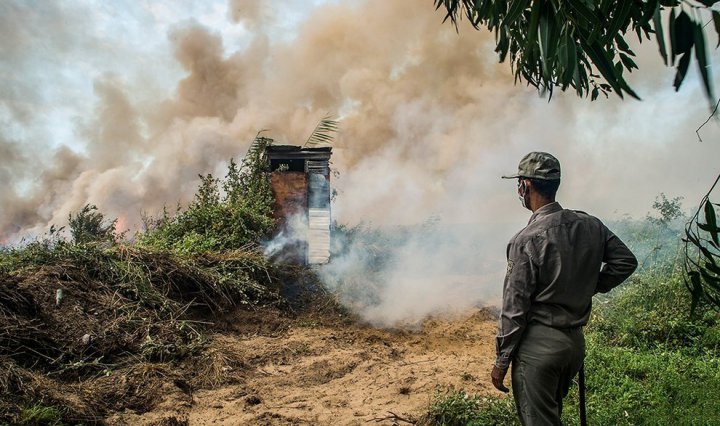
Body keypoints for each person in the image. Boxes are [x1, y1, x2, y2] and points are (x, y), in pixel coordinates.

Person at [490, 152, 637, 425]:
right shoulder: (590, 224)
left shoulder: (525, 241)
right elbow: (625, 261)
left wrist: (501, 361)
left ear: (525, 186)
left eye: (519, 183)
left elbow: (514, 309)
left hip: (539, 349)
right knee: (551, 414)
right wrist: (587, 286)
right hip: (573, 346)